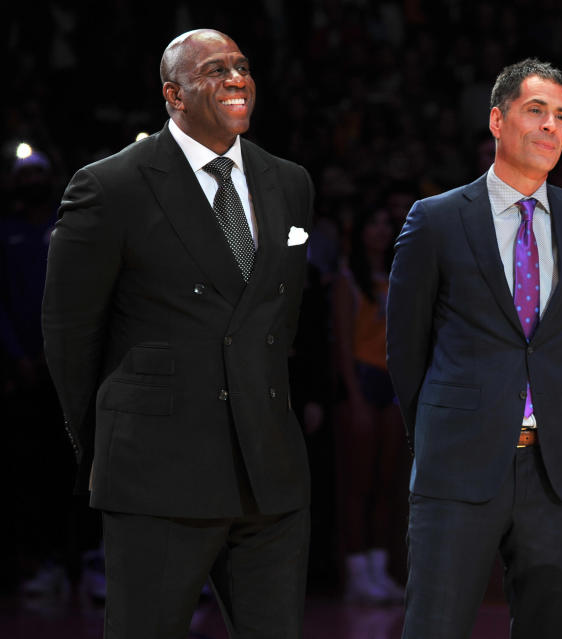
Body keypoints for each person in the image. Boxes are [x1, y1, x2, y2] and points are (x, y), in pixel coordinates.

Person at [42, 29, 314, 638]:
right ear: (175, 94)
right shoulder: (110, 186)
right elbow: (69, 331)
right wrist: (107, 442)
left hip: (269, 473)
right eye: (215, 70)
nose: (236, 78)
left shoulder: (290, 181)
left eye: (241, 66)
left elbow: (280, 321)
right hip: (159, 472)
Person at [386, 58, 562, 639]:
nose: (550, 127)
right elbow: (405, 349)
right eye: (536, 111)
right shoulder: (434, 220)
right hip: (457, 464)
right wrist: (442, 431)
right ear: (496, 120)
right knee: (434, 627)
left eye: (561, 116)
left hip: (550, 471)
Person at [332, 206, 406, 603]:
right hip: (360, 380)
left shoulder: (399, 275)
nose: (380, 230)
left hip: (391, 382)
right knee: (357, 484)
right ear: (359, 232)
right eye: (373, 222)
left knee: (386, 482)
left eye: (386, 224)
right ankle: (357, 571)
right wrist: (354, 396)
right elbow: (343, 345)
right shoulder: (348, 279)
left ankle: (380, 572)